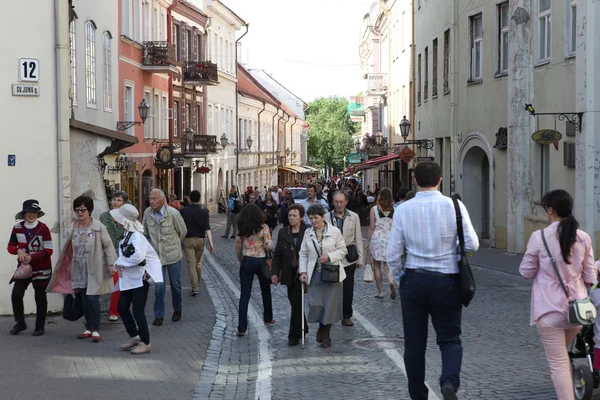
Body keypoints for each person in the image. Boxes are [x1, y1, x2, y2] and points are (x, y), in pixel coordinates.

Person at [387, 161, 479, 400]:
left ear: (414, 181)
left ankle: (418, 394)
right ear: (440, 180)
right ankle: (449, 381)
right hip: (446, 280)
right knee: (450, 339)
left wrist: (401, 278)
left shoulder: (404, 209)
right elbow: (472, 244)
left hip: (414, 280)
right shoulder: (454, 206)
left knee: (414, 345)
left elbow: (392, 254)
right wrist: (451, 251)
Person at [520, 189, 596, 400]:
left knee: (559, 363)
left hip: (549, 310)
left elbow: (525, 272)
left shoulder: (539, 237)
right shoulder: (583, 237)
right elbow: (590, 276)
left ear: (551, 210)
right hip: (578, 311)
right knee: (560, 356)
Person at [48, 195, 117, 342]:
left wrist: (112, 265)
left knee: (92, 299)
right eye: (77, 209)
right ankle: (89, 327)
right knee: (83, 299)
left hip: (94, 267)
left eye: (83, 209)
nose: (80, 212)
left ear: (90, 210)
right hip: (77, 268)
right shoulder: (72, 227)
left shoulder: (98, 227)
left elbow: (109, 247)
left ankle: (96, 330)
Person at [110, 204, 163, 354]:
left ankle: (146, 342)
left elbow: (138, 257)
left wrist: (119, 263)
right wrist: (119, 264)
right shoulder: (128, 234)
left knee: (138, 311)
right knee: (122, 307)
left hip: (141, 278)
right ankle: (135, 336)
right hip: (130, 277)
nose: (116, 222)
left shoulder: (137, 236)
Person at [299, 204, 347, 348]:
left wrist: (330, 256)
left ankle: (326, 333)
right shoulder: (308, 233)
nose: (313, 221)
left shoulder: (334, 231)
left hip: (332, 273)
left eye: (316, 218)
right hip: (314, 273)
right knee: (316, 304)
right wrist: (303, 271)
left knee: (330, 306)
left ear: (323, 217)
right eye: (311, 218)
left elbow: (343, 250)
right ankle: (321, 326)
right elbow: (303, 253)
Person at [7, 199, 53, 336]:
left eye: (34, 212)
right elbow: (10, 246)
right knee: (16, 295)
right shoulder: (17, 227)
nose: (31, 215)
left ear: (38, 214)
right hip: (24, 268)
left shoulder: (44, 229)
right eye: (29, 212)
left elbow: (49, 250)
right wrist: (18, 251)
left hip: (42, 268)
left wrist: (33, 257)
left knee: (40, 297)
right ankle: (20, 323)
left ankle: (39, 327)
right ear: (24, 213)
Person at [142, 188, 187, 326]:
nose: (151, 201)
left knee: (176, 285)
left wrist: (174, 245)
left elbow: (183, 231)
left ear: (162, 200)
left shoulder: (173, 213)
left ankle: (177, 309)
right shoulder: (147, 213)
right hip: (156, 257)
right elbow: (144, 233)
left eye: (154, 199)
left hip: (173, 255)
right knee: (159, 287)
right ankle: (159, 315)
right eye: (150, 199)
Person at [271, 204, 309, 346]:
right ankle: (304, 326)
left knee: (297, 301)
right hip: (288, 272)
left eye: (294, 215)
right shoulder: (283, 232)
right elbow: (277, 254)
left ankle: (294, 335)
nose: (292, 218)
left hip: (302, 272)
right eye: (290, 216)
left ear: (301, 217)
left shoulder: (307, 231)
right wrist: (275, 272)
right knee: (294, 302)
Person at [235, 204, 274, 336]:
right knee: (265, 290)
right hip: (261, 260)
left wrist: (241, 260)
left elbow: (238, 247)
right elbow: (269, 245)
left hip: (247, 260)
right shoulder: (264, 228)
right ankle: (268, 318)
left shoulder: (242, 228)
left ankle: (241, 327)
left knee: (245, 295)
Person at [324, 191, 363, 327]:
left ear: (346, 202)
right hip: (332, 257)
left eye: (341, 202)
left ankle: (346, 315)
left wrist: (360, 259)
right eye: (336, 202)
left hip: (348, 257)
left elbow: (358, 238)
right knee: (332, 288)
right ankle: (332, 315)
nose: (339, 204)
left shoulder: (354, 217)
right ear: (333, 202)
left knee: (347, 288)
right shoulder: (326, 217)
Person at [99, 191, 127, 322]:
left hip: (121, 254)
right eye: (114, 199)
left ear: (124, 203)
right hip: (106, 253)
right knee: (104, 282)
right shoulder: (104, 216)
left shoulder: (126, 218)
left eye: (119, 200)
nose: (116, 202)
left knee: (118, 284)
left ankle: (114, 310)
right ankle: (102, 307)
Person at [180, 190, 214, 297]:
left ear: (189, 198)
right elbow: (207, 228)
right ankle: (197, 285)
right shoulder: (204, 212)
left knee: (191, 264)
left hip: (188, 240)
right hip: (200, 240)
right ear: (199, 199)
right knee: (198, 264)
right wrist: (211, 242)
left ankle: (195, 287)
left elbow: (180, 227)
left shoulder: (183, 211)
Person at [367, 188, 396, 299]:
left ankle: (380, 292)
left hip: (377, 238)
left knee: (377, 266)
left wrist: (368, 241)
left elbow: (371, 227)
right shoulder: (395, 209)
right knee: (387, 266)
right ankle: (391, 281)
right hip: (390, 238)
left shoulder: (374, 209)